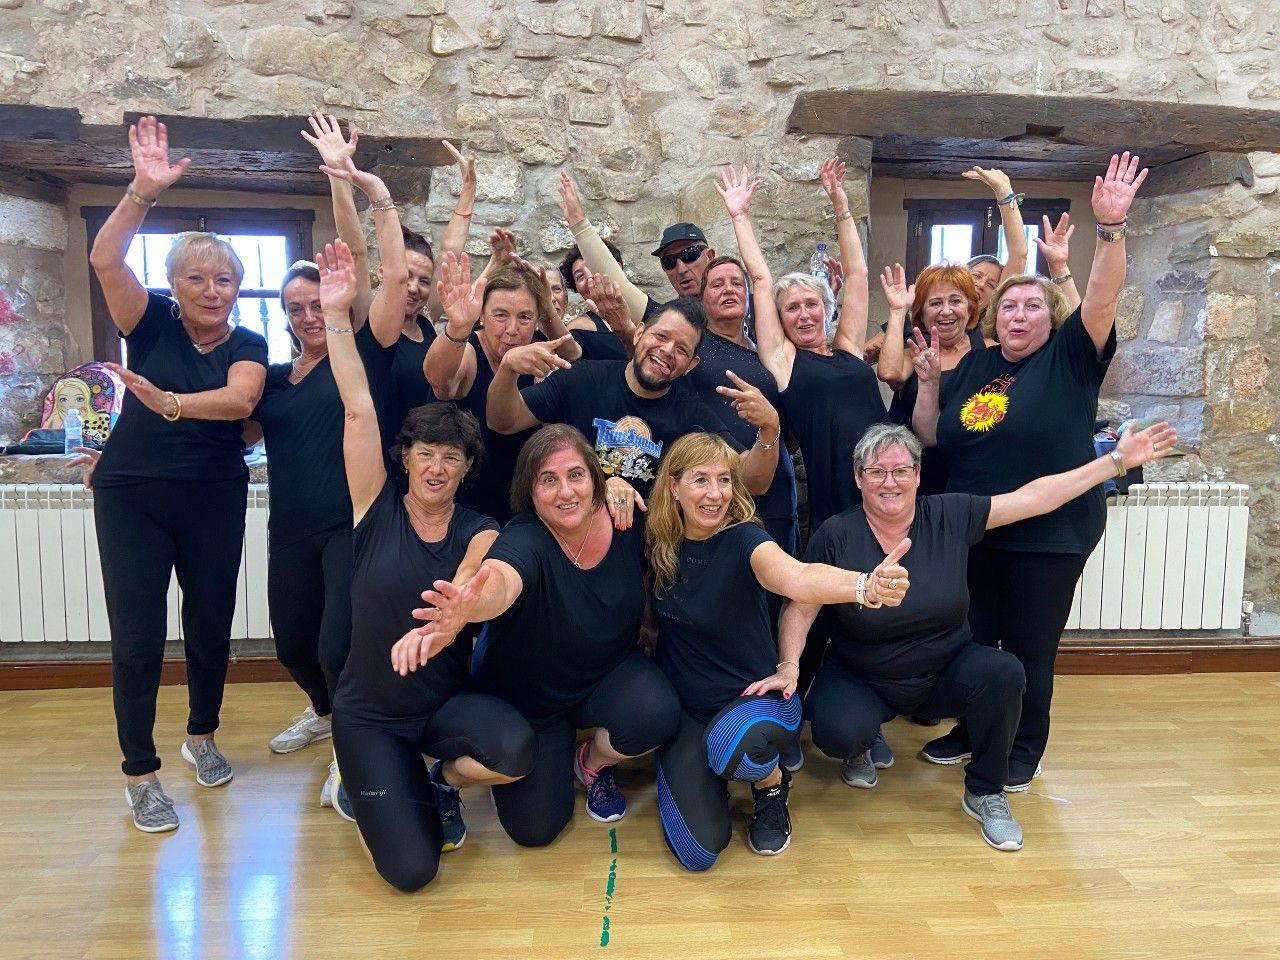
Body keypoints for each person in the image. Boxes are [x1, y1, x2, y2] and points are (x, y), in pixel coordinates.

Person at [779, 420, 1175, 851]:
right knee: (835, 730)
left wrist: (1115, 461)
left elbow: (1034, 497)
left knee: (1004, 672)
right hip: (863, 673)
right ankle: (861, 742)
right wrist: (789, 666)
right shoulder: (836, 534)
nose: (889, 482)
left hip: (943, 670)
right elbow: (801, 605)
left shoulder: (951, 514)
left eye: (900, 470)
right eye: (876, 472)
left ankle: (986, 791)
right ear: (859, 478)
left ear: (917, 474)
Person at [912, 152, 1150, 792]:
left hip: (1049, 533)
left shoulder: (1071, 359)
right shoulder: (974, 367)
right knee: (975, 640)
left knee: (1028, 649)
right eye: (1009, 307)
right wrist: (931, 385)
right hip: (977, 530)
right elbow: (935, 438)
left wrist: (1110, 230)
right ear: (995, 319)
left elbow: (1102, 296)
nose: (1018, 315)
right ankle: (971, 729)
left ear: (1052, 320)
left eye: (1032, 307)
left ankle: (1022, 749)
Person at [315, 239, 535, 891]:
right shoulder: (372, 506)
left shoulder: (478, 529)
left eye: (452, 458)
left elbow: (478, 583)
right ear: (405, 457)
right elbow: (358, 404)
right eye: (425, 454)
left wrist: (450, 621)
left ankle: (437, 780)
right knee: (413, 872)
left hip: (441, 707)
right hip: (369, 714)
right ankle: (365, 776)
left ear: (468, 469)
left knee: (516, 751)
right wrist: (334, 314)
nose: (437, 467)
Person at [87, 116, 268, 833]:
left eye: (224, 278)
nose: (212, 288)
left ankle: (201, 734)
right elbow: (105, 259)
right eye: (196, 276)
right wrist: (141, 192)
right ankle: (141, 773)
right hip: (132, 497)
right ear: (174, 283)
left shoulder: (250, 341)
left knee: (211, 625)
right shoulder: (151, 323)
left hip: (213, 498)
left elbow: (242, 401)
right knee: (137, 636)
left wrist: (169, 403)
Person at [646, 433, 909, 868]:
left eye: (725, 480)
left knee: (732, 745)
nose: (715, 494)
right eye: (700, 480)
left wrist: (865, 585)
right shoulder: (660, 544)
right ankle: (693, 765)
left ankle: (770, 786)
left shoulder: (746, 540)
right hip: (689, 711)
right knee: (698, 854)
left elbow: (798, 578)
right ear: (673, 487)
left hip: (756, 699)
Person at [411, 425, 681, 842]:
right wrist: (470, 607)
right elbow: (500, 580)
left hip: (602, 676)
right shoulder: (525, 538)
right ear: (530, 492)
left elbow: (645, 572)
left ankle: (591, 763)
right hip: (530, 702)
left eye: (576, 475)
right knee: (536, 831)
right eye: (548, 480)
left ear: (596, 479)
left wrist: (648, 617)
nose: (566, 492)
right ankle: (446, 777)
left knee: (657, 712)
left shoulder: (626, 517)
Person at [249, 143, 409, 757]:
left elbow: (381, 269)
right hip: (290, 527)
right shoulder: (271, 378)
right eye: (296, 309)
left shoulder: (362, 351)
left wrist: (354, 188)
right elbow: (224, 436)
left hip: (353, 524)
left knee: (336, 646)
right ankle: (324, 712)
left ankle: (354, 744)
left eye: (318, 304)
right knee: (292, 645)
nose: (309, 316)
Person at [485, 297, 783, 526]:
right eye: (661, 337)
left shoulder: (690, 414)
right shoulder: (583, 379)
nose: (667, 351)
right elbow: (503, 421)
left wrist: (770, 428)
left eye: (681, 349)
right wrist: (508, 369)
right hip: (564, 534)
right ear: (639, 333)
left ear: (690, 365)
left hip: (638, 553)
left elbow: (752, 481)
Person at [304, 112, 478, 430]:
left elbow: (450, 253)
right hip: (380, 454)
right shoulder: (368, 311)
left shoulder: (426, 319)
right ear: (384, 272)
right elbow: (355, 247)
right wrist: (338, 175)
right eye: (407, 276)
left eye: (424, 281)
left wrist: (468, 192)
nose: (413, 287)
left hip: (427, 454)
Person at [424, 255, 577, 523]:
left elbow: (573, 353)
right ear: (481, 315)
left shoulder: (541, 351)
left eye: (525, 317)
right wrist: (457, 327)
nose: (512, 330)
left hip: (524, 509)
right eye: (500, 315)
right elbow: (441, 383)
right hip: (465, 511)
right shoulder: (470, 350)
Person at [692, 254, 798, 557]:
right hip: (717, 491)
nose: (729, 289)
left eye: (737, 283)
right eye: (718, 285)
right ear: (701, 300)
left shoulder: (769, 352)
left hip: (777, 488)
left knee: (778, 586)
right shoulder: (693, 345)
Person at [875, 263, 991, 495]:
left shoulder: (990, 351)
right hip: (916, 476)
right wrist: (898, 311)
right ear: (921, 313)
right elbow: (888, 373)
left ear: (970, 308)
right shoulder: (915, 352)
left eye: (956, 301)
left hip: (972, 476)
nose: (946, 311)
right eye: (935, 303)